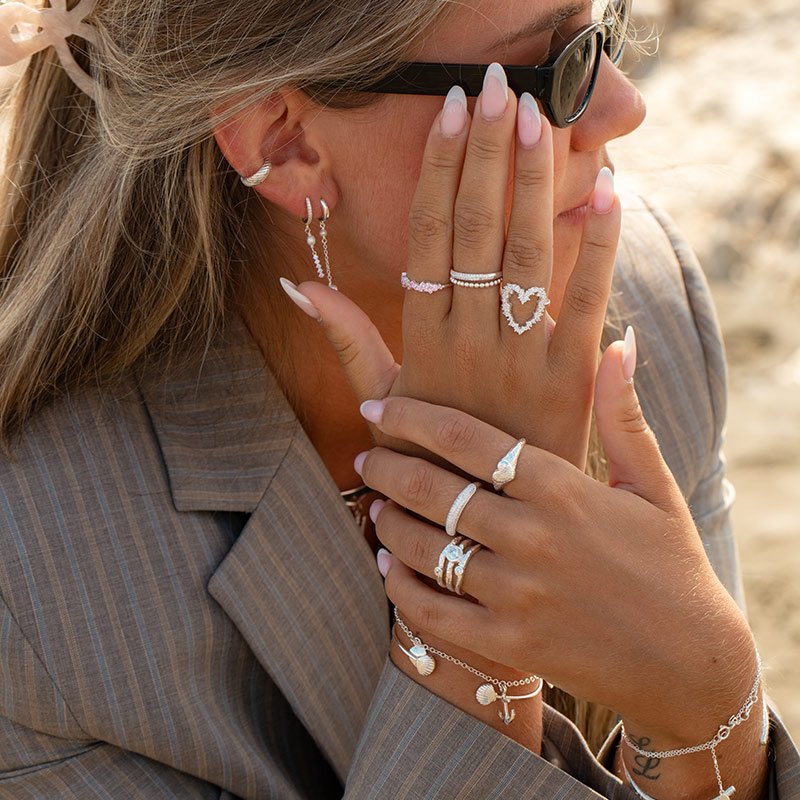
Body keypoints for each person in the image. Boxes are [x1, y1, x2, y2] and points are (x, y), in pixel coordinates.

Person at [0, 0, 796, 798]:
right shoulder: (35, 588)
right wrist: (470, 646)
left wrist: (712, 702)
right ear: (284, 140)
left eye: (603, 27)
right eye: (557, 68)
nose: (625, 106)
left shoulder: (644, 313)